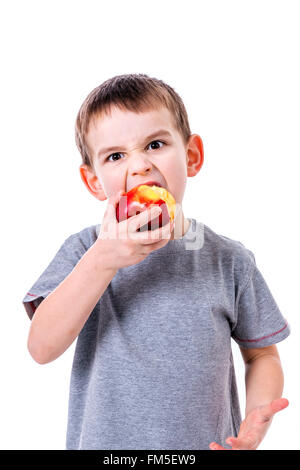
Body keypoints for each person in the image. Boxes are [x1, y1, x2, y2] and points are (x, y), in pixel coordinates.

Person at [22, 73, 290, 450]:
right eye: (115, 156)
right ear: (95, 182)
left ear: (191, 156)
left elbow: (262, 355)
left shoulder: (229, 261)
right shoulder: (85, 251)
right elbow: (41, 348)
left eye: (155, 144)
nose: (140, 166)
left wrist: (254, 422)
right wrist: (103, 259)